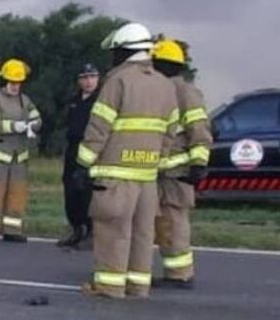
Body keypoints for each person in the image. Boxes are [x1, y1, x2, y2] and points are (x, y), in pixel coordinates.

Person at [74, 23, 178, 299]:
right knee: (143, 234)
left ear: (124, 51)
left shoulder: (118, 82)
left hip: (115, 175)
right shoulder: (165, 85)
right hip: (147, 177)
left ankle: (109, 286)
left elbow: (99, 126)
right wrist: (157, 161)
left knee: (113, 231)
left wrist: (83, 163)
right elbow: (171, 131)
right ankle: (138, 285)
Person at [152, 38, 212, 289]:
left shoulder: (184, 92)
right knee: (163, 223)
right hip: (160, 171)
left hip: (177, 172)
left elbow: (199, 130)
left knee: (174, 222)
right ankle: (173, 271)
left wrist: (198, 164)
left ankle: (180, 274)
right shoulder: (162, 89)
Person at [0, 59, 42, 242]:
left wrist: (32, 126)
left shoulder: (25, 100)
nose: (15, 86)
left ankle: (12, 230)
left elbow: (37, 118)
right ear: (5, 81)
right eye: (12, 82)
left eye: (18, 82)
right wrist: (15, 126)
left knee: (17, 194)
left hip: (19, 157)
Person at [58, 63, 101, 248]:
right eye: (84, 77)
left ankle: (92, 233)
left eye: (92, 77)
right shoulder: (74, 100)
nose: (89, 81)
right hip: (73, 149)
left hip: (91, 149)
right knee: (70, 190)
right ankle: (76, 229)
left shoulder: (100, 101)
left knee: (87, 192)